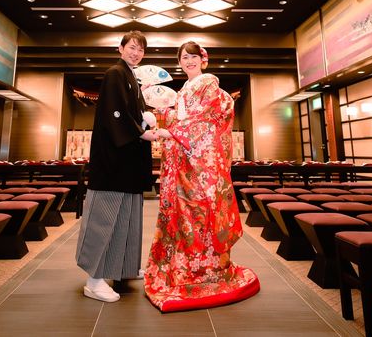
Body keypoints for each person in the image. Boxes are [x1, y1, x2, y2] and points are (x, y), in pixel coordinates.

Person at [144, 41, 260, 312]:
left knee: (202, 211)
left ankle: (206, 269)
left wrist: (171, 131)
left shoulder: (208, 84)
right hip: (185, 160)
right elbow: (181, 117)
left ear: (203, 60)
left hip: (201, 164)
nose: (189, 61)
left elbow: (204, 119)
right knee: (184, 214)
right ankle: (183, 266)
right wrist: (159, 111)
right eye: (184, 57)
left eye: (193, 56)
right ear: (179, 62)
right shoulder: (185, 88)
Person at [76, 30, 161, 302]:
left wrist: (145, 118)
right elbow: (116, 116)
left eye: (140, 49)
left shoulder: (131, 78)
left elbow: (131, 114)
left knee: (126, 218)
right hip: (112, 163)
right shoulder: (115, 74)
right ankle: (93, 280)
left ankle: (122, 269)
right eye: (132, 47)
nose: (136, 53)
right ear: (120, 48)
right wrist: (141, 132)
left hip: (127, 163)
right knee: (104, 220)